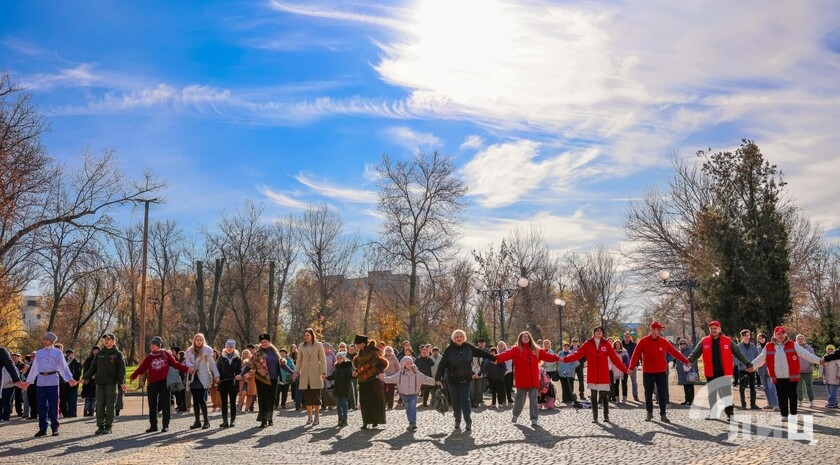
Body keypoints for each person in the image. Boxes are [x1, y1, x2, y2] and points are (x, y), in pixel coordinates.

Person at [748, 326, 824, 422]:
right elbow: (760, 358)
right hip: (777, 376)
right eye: (778, 334)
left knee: (792, 395)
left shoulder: (793, 344)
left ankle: (793, 414)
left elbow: (806, 354)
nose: (780, 336)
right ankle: (784, 415)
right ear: (774, 335)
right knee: (781, 396)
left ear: (785, 334)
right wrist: (752, 366)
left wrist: (819, 361)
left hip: (791, 376)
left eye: (782, 333)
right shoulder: (768, 346)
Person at [685, 321, 753, 422]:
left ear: (719, 329)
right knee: (712, 394)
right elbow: (695, 353)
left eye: (715, 328)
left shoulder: (728, 341)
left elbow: (738, 353)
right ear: (709, 330)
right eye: (711, 328)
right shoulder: (704, 341)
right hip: (710, 372)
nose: (713, 330)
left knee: (725, 394)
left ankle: (730, 414)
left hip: (724, 372)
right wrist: (687, 361)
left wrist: (748, 363)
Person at [627, 321, 689, 423]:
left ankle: (663, 414)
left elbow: (674, 352)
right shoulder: (643, 341)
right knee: (648, 394)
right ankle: (649, 413)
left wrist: (685, 361)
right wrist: (631, 367)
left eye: (661, 330)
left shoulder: (664, 342)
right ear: (652, 330)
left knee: (662, 394)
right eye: (658, 329)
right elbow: (635, 355)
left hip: (661, 372)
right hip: (648, 372)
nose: (660, 331)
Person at [563, 326, 628, 423]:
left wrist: (625, 370)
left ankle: (606, 416)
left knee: (604, 396)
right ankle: (595, 416)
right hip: (592, 374)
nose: (599, 332)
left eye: (601, 331)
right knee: (593, 397)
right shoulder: (588, 344)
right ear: (593, 333)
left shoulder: (606, 345)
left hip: (603, 374)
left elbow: (615, 359)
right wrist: (564, 359)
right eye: (597, 331)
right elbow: (577, 354)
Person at [494, 331, 560, 427]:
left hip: (533, 380)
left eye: (527, 336)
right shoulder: (515, 349)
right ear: (520, 338)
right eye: (524, 336)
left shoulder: (536, 350)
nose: (526, 338)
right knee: (520, 399)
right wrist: (495, 358)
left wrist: (558, 358)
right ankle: (515, 414)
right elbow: (505, 355)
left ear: (530, 338)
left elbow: (548, 356)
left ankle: (534, 419)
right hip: (522, 379)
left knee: (534, 400)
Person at [435, 329, 496, 431]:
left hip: (466, 379)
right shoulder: (449, 350)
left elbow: (481, 353)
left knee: (464, 399)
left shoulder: (468, 347)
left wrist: (493, 358)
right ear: (453, 338)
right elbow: (442, 364)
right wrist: (438, 378)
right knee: (455, 401)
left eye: (461, 336)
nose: (459, 338)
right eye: (457, 337)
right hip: (452, 379)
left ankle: (468, 421)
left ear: (464, 337)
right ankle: (457, 420)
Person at [23, 332, 77, 437]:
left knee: (53, 404)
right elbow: (35, 368)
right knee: (41, 405)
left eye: (46, 339)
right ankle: (42, 428)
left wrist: (69, 379)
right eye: (44, 339)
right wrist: (28, 381)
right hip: (41, 380)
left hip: (53, 379)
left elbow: (63, 367)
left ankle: (54, 427)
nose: (44, 341)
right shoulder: (39, 353)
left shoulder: (58, 353)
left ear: (52, 341)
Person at [130, 336, 187, 433]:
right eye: (151, 344)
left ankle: (165, 425)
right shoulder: (149, 357)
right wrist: (134, 375)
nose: (152, 346)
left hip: (164, 382)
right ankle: (153, 425)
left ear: (158, 345)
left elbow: (175, 364)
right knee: (152, 405)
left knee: (165, 404)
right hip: (152, 383)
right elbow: (142, 367)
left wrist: (186, 369)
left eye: (154, 344)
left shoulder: (165, 354)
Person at [241, 334, 288, 428]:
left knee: (271, 399)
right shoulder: (257, 353)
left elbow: (282, 364)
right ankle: (263, 420)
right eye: (262, 342)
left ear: (270, 342)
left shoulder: (275, 352)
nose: (264, 343)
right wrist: (241, 374)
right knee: (263, 399)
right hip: (261, 379)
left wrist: (292, 372)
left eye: (266, 342)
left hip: (274, 378)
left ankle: (270, 418)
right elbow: (249, 365)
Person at [380, 355, 435, 431]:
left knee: (412, 407)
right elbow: (392, 379)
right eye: (407, 363)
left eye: (411, 363)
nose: (409, 365)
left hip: (414, 393)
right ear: (403, 364)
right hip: (404, 394)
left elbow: (425, 378)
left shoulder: (416, 372)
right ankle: (411, 422)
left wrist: (435, 381)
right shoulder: (400, 373)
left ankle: (413, 423)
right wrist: (383, 379)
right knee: (408, 408)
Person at [185, 333, 220, 430]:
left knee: (201, 400)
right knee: (195, 400)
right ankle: (197, 421)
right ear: (194, 341)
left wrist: (216, 375)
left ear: (203, 341)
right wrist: (190, 366)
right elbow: (187, 361)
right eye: (197, 340)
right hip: (193, 377)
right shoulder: (189, 350)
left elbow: (212, 364)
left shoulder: (207, 350)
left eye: (201, 340)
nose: (199, 341)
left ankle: (206, 421)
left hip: (203, 377)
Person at [352, 335, 388, 429]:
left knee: (374, 401)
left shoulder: (374, 351)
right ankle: (366, 421)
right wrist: (357, 371)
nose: (357, 346)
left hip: (373, 379)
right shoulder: (359, 353)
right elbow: (357, 364)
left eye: (358, 344)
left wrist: (379, 372)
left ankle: (375, 420)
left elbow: (382, 363)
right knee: (364, 401)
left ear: (363, 343)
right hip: (362, 380)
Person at [293, 328, 327, 427]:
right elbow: (299, 360)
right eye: (305, 335)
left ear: (312, 335)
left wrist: (324, 372)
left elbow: (323, 359)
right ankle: (309, 416)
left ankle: (316, 416)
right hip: (305, 375)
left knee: (316, 397)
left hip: (316, 373)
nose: (306, 337)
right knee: (307, 398)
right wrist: (297, 372)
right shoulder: (301, 346)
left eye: (308, 335)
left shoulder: (318, 345)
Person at [216, 339, 242, 428]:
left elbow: (239, 370)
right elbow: (217, 369)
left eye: (231, 347)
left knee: (232, 402)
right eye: (227, 347)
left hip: (233, 383)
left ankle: (232, 421)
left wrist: (239, 375)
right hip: (223, 383)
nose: (229, 348)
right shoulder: (221, 358)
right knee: (224, 403)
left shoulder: (237, 358)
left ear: (234, 348)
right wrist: (217, 377)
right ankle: (225, 421)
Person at [327, 351, 353, 427]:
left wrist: (354, 375)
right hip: (337, 387)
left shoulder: (347, 367)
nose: (339, 359)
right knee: (338, 404)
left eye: (340, 358)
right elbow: (333, 376)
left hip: (345, 387)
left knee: (344, 403)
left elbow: (350, 376)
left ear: (344, 358)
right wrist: (326, 377)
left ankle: (345, 419)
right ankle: (340, 418)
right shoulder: (336, 366)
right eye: (338, 358)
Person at [736, 329, 760, 410]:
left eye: (748, 335)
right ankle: (743, 404)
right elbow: (735, 358)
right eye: (745, 335)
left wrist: (754, 366)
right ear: (742, 336)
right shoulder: (738, 346)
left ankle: (753, 404)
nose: (747, 337)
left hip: (752, 369)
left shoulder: (753, 346)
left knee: (753, 387)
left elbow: (757, 356)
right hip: (742, 370)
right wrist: (742, 366)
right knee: (742, 387)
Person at [754, 333, 778, 410]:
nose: (761, 340)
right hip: (761, 371)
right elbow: (757, 359)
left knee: (771, 387)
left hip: (770, 370)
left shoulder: (771, 346)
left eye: (762, 338)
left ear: (765, 338)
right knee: (765, 388)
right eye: (759, 339)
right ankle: (769, 403)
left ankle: (776, 404)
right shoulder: (757, 348)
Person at [0, 346, 23, 422]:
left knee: (6, 402)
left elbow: (10, 365)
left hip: (8, 387)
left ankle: (6, 417)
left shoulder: (1, 351)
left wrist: (16, 380)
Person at [794, 334, 817, 408]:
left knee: (809, 386)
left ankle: (811, 401)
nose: (800, 340)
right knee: (798, 387)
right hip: (797, 371)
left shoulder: (808, 347)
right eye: (798, 339)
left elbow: (813, 356)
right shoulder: (794, 348)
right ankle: (799, 400)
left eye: (801, 339)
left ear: (804, 340)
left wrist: (811, 365)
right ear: (796, 340)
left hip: (808, 370)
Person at [59, 349, 81, 418]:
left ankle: (73, 413)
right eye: (67, 354)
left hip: (73, 384)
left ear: (73, 354)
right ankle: (67, 413)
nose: (69, 355)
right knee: (66, 399)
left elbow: (78, 374)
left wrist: (73, 380)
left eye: (70, 353)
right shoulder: (65, 363)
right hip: (65, 384)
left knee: (73, 399)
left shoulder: (77, 363)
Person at [80, 347, 99, 417]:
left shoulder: (101, 359)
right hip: (88, 381)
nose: (96, 352)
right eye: (94, 350)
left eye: (97, 350)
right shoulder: (89, 359)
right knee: (87, 398)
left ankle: (91, 412)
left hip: (96, 381)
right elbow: (86, 370)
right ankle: (85, 412)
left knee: (94, 398)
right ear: (92, 351)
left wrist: (96, 375)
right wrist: (85, 378)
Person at [675, 338, 695, 405]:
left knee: (690, 386)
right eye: (681, 343)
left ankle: (691, 400)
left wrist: (689, 367)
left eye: (684, 343)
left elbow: (693, 360)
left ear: (686, 344)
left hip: (689, 371)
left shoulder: (690, 350)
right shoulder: (679, 351)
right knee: (685, 386)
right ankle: (687, 400)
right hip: (682, 371)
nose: (682, 345)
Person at [622, 332, 640, 401]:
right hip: (623, 366)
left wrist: (637, 363)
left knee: (634, 381)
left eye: (628, 337)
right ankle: (624, 396)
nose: (627, 338)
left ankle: (635, 395)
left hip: (632, 366)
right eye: (625, 337)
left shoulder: (634, 345)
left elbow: (638, 354)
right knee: (624, 382)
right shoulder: (620, 344)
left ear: (630, 337)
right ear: (623, 337)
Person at [321, 342, 336, 410]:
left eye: (327, 348)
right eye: (324, 348)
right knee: (322, 390)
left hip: (330, 374)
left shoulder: (332, 355)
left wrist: (332, 372)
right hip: (321, 375)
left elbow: (335, 364)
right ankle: (323, 405)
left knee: (330, 390)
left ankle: (330, 404)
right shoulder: (320, 354)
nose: (325, 349)